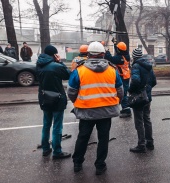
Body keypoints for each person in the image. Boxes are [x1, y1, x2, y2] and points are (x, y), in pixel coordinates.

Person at [68, 41, 124, 175]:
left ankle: (77, 163)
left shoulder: (79, 70)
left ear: (88, 54)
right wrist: (115, 102)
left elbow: (71, 91)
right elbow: (120, 90)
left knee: (83, 137)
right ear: (103, 54)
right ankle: (100, 165)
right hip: (106, 111)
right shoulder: (112, 70)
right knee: (103, 139)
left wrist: (77, 102)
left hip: (86, 111)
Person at [36, 45, 71, 159]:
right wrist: (60, 62)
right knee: (57, 126)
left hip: (44, 97)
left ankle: (46, 148)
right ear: (54, 54)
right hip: (57, 98)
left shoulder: (38, 64)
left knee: (46, 124)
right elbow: (68, 75)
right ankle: (57, 152)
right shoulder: (56, 66)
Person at [129, 48, 157, 153]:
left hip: (139, 99)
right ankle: (150, 143)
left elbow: (135, 81)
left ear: (134, 57)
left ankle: (141, 145)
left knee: (139, 122)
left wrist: (131, 90)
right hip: (147, 98)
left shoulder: (136, 66)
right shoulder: (148, 65)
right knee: (147, 119)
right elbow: (154, 81)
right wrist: (147, 91)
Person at [104, 40, 132, 118]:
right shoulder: (125, 55)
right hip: (126, 76)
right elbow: (119, 51)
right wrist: (115, 44)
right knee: (124, 92)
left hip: (123, 77)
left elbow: (110, 58)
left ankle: (126, 110)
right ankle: (125, 108)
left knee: (123, 94)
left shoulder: (120, 58)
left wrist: (107, 51)